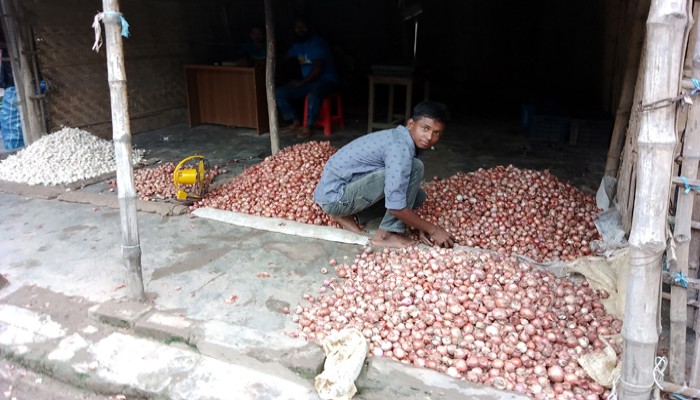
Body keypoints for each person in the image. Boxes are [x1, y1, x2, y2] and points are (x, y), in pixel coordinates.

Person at [313, 101, 456, 248]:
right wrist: (432, 230)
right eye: (425, 128)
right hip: (336, 197)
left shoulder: (400, 137)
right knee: (415, 168)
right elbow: (396, 206)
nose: (429, 137)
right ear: (411, 124)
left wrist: (417, 224)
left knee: (418, 197)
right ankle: (385, 235)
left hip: (336, 192)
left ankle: (350, 215)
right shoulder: (400, 148)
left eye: (436, 133)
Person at [276, 18, 339, 139]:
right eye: (297, 27)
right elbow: (284, 58)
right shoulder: (297, 45)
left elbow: (318, 70)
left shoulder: (317, 43)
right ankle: (295, 122)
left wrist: (301, 83)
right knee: (280, 93)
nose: (300, 30)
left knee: (314, 95)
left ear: (309, 28)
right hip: (309, 82)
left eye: (303, 26)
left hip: (326, 80)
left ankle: (309, 126)